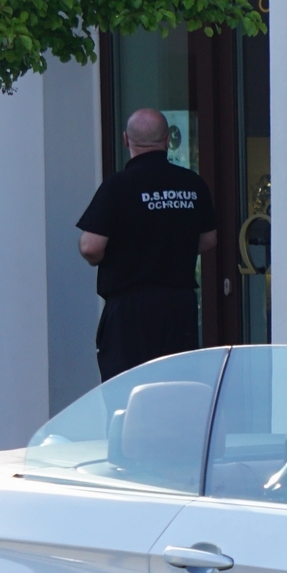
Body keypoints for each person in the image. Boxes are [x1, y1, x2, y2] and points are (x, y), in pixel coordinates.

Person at [78, 110, 218, 381]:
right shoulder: (192, 184)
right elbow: (208, 239)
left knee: (127, 391)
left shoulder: (118, 186)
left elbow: (90, 247)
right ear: (166, 140)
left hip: (131, 310)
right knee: (176, 386)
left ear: (126, 140)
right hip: (180, 307)